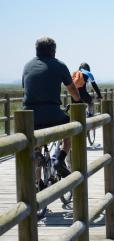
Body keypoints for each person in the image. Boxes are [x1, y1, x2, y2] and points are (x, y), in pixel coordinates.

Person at [22, 37, 81, 178]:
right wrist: (78, 101)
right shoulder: (59, 65)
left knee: (37, 145)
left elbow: (25, 88)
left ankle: (37, 182)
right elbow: (72, 88)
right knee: (71, 128)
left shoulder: (27, 66)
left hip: (29, 116)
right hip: (52, 114)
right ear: (53, 51)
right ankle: (59, 159)